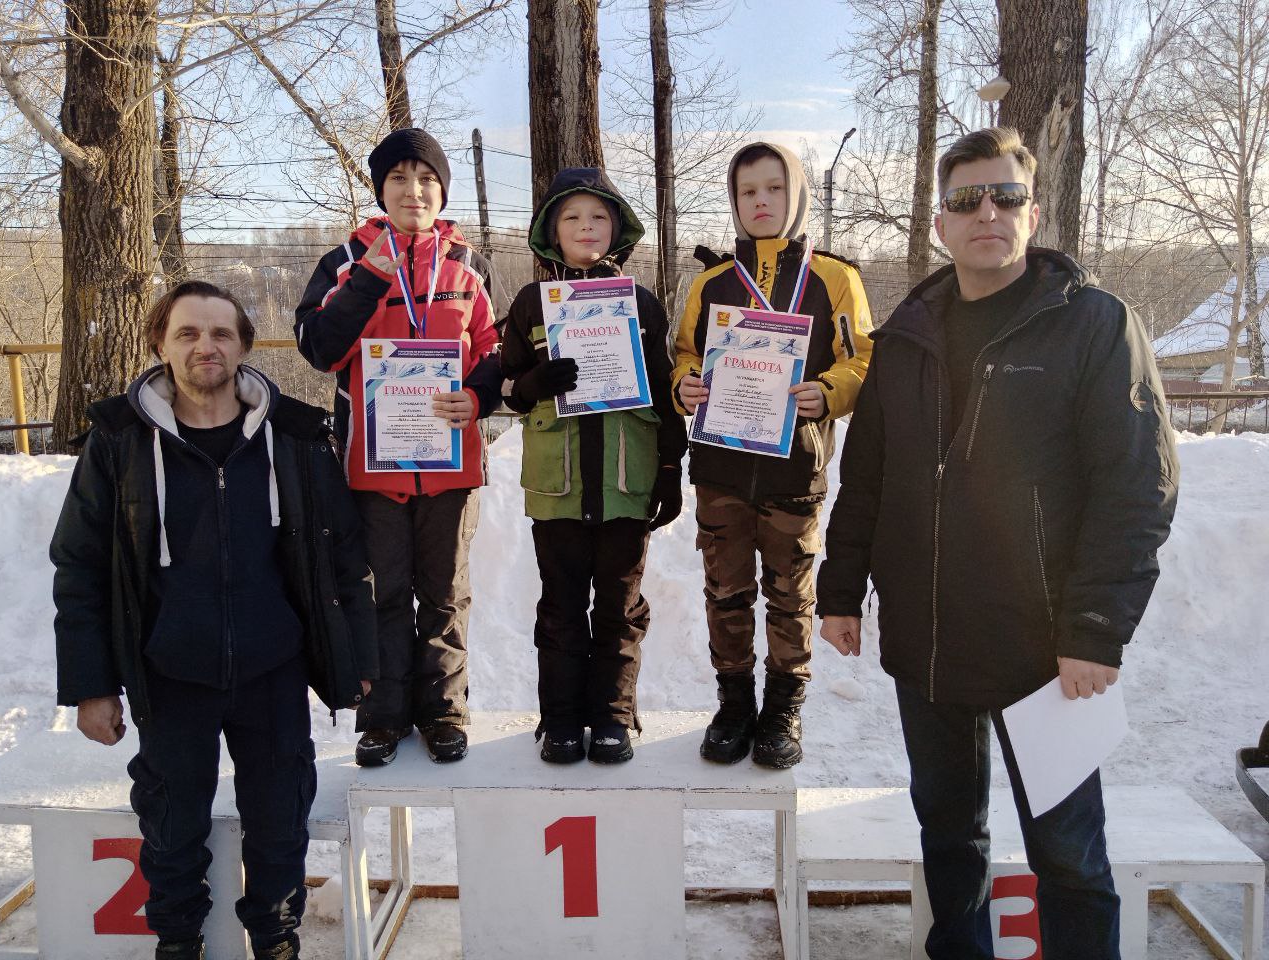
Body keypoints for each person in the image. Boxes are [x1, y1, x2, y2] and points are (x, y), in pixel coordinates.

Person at [816, 127, 1179, 959]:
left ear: (1034, 212)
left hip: (1043, 654)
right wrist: (841, 592)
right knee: (950, 841)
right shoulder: (903, 337)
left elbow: (1138, 489)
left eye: (1005, 197)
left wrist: (1094, 631)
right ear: (938, 223)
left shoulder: (1092, 326)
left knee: (1070, 858)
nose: (988, 212)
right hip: (929, 644)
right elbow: (867, 477)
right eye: (966, 199)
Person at [51, 281, 378, 960]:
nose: (207, 346)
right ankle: (177, 939)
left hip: (272, 664)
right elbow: (80, 567)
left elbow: (343, 559)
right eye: (189, 333)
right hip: (168, 667)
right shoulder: (119, 439)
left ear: (244, 346)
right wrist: (91, 686)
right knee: (170, 820)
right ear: (160, 345)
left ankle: (276, 935)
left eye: (222, 333)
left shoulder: (294, 436)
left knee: (279, 815)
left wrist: (358, 661)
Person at [294, 127, 503, 766]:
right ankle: (383, 716)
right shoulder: (344, 259)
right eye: (399, 179)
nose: (414, 191)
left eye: (427, 180)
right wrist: (373, 274)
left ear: (443, 192)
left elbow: (494, 349)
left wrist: (480, 397)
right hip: (372, 469)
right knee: (381, 593)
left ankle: (443, 712)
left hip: (450, 465)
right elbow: (320, 347)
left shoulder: (468, 264)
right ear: (381, 190)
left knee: (444, 594)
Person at [672, 142, 874, 768]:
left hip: (794, 468)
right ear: (733, 202)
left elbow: (863, 358)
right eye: (747, 191)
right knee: (725, 590)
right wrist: (684, 386)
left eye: (774, 189)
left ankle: (783, 707)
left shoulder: (834, 278)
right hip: (721, 466)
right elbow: (683, 353)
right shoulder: (711, 282)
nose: (761, 201)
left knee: (790, 593)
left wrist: (829, 390)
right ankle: (734, 702)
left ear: (797, 195)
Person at [499, 168, 687, 764]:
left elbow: (662, 387)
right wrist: (530, 381)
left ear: (616, 229)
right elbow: (506, 388)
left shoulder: (641, 302)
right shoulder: (531, 303)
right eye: (572, 217)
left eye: (598, 217)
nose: (586, 227)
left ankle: (611, 716)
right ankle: (558, 719)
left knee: (620, 605)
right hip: (558, 484)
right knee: (560, 604)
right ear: (552, 230)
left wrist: (669, 467)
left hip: (625, 482)